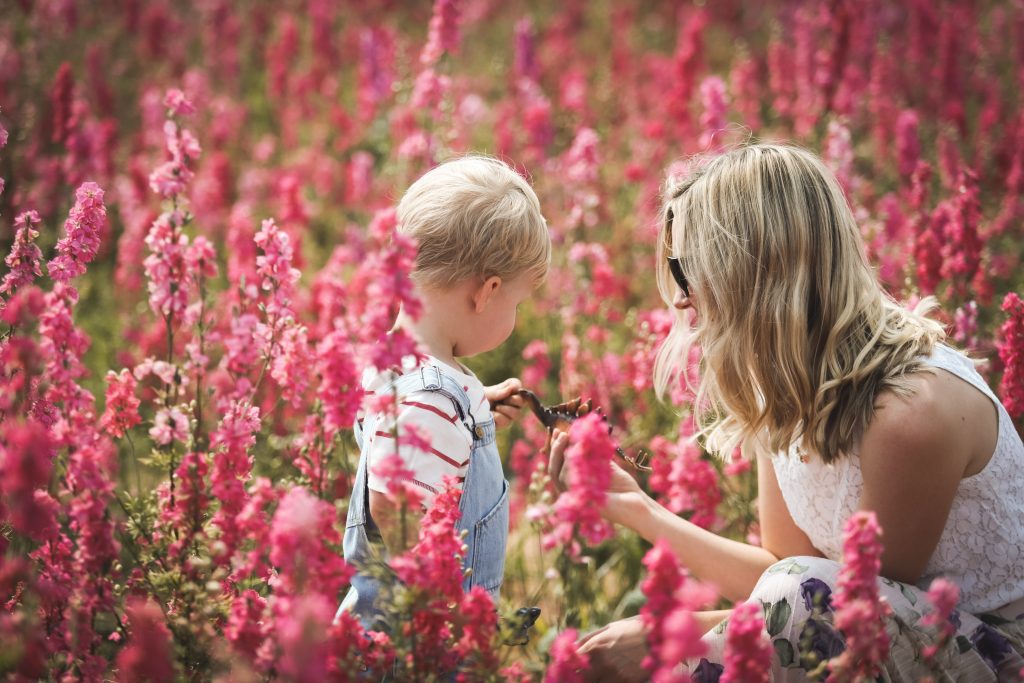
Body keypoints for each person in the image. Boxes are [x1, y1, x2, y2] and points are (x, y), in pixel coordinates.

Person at [548, 143, 1024, 681]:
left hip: (995, 651)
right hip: (883, 631)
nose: (680, 300)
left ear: (755, 270)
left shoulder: (909, 411)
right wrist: (636, 509)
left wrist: (673, 635)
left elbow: (840, 618)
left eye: (687, 270)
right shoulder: (786, 385)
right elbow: (783, 568)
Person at [340, 156, 550, 628]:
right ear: (486, 292)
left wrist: (472, 413)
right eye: (515, 302)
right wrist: (454, 611)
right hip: (420, 643)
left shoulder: (395, 366)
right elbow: (392, 503)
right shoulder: (430, 402)